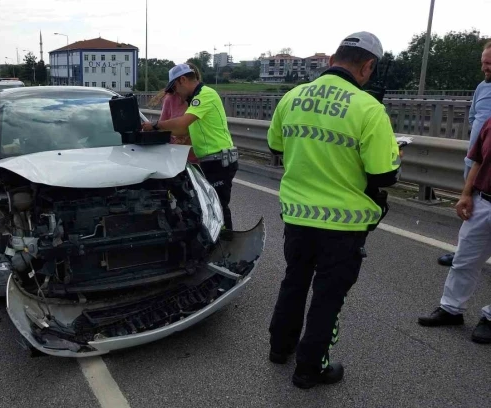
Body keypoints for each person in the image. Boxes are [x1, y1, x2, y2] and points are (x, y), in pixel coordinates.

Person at [266, 32, 401, 389]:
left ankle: (280, 348)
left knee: (294, 280)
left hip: (296, 215)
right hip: (343, 224)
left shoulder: (291, 98)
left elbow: (276, 147)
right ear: (368, 66)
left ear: (331, 60)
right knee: (329, 296)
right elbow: (384, 174)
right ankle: (310, 368)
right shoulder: (369, 108)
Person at [417, 117, 491, 344]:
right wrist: (466, 194)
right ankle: (451, 309)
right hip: (483, 202)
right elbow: (478, 161)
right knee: (464, 260)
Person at [141, 63, 238, 232]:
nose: (176, 92)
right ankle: (218, 243)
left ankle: (227, 247)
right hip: (211, 160)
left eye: (175, 87)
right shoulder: (195, 98)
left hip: (219, 161)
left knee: (219, 208)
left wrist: (155, 126)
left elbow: (181, 126)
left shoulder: (205, 94)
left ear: (183, 80)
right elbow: (184, 130)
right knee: (208, 206)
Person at [438, 41, 491, 267]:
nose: (484, 68)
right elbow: (473, 117)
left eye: (489, 63)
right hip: (475, 159)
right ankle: (463, 251)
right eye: (483, 62)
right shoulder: (482, 87)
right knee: (468, 205)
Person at [147, 64, 201, 164]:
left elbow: (187, 127)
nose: (175, 90)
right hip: (176, 158)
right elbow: (163, 127)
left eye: (175, 87)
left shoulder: (201, 99)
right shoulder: (170, 99)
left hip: (198, 159)